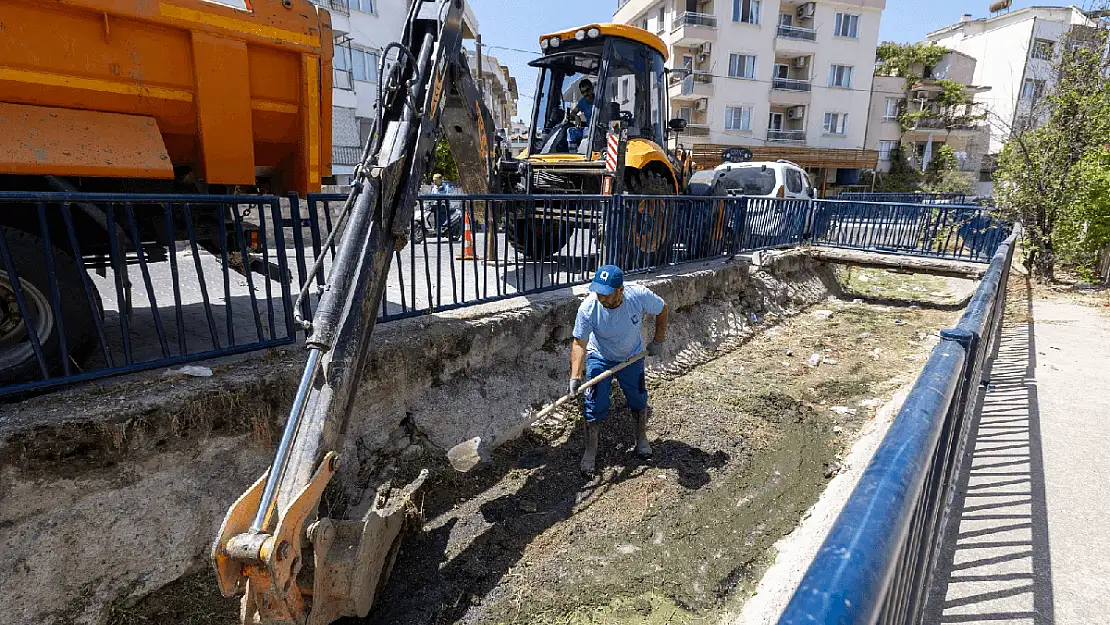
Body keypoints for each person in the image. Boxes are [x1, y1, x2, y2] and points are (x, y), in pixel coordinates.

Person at [570, 265, 669, 475]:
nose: (601, 298)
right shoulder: (589, 307)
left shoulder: (638, 295)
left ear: (620, 290)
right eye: (598, 292)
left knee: (638, 398)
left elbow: (662, 309)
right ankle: (590, 450)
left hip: (631, 356)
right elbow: (579, 342)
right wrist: (575, 376)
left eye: (606, 294)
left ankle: (641, 438)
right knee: (594, 402)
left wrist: (658, 340)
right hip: (600, 356)